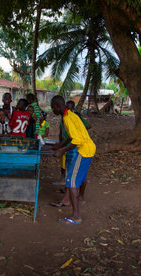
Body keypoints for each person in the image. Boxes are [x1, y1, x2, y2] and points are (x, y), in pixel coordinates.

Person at [50, 95, 95, 225]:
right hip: (88, 148)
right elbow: (72, 136)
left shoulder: (67, 118)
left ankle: (76, 216)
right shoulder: (70, 115)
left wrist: (62, 151)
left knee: (71, 182)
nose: (53, 111)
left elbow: (77, 140)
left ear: (58, 106)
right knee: (72, 180)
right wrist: (59, 145)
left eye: (53, 108)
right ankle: (68, 201)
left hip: (83, 151)